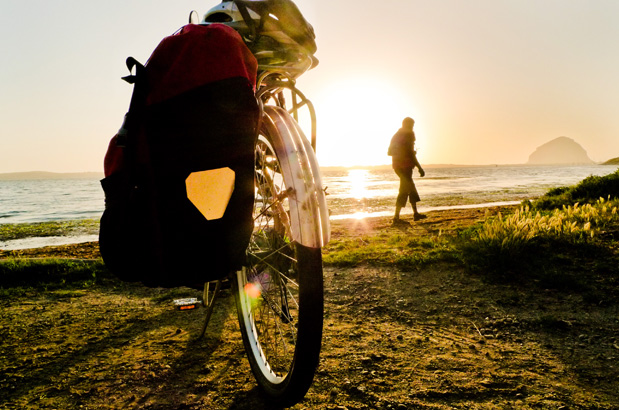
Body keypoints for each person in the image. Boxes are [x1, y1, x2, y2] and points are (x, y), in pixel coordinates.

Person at [388, 117, 426, 225]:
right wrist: (419, 167)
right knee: (404, 189)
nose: (412, 128)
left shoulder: (396, 135)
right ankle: (396, 218)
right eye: (411, 126)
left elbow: (389, 152)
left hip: (397, 166)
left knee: (410, 188)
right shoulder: (409, 135)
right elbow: (410, 153)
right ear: (407, 125)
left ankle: (415, 214)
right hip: (405, 166)